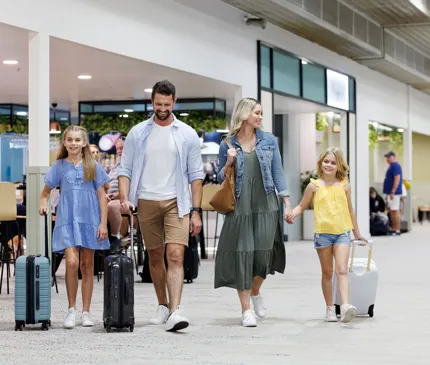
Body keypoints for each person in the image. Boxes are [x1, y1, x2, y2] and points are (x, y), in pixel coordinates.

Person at [118, 80, 203, 332]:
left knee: (175, 255)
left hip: (177, 202)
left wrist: (196, 211)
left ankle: (176, 311)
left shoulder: (187, 133)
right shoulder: (138, 132)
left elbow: (195, 175)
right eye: (158, 104)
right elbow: (125, 169)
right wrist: (124, 197)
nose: (162, 108)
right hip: (145, 201)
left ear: (174, 102)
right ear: (152, 102)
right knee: (154, 256)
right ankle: (162, 304)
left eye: (167, 104)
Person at [214, 97, 290, 328]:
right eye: (257, 112)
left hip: (266, 203)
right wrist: (228, 162)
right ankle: (246, 310)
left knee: (263, 255)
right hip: (240, 205)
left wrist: (286, 202)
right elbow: (219, 177)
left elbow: (278, 172)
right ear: (245, 114)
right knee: (242, 254)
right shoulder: (227, 144)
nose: (260, 117)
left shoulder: (269, 141)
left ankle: (256, 291)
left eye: (261, 113)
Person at [39, 125, 110, 329]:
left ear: (84, 143)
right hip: (68, 220)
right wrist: (43, 203)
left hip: (90, 220)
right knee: (71, 262)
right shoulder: (59, 166)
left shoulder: (93, 166)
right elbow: (45, 192)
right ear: (64, 142)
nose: (73, 143)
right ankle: (71, 309)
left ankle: (86, 312)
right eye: (69, 139)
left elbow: (102, 196)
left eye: (77, 140)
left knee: (87, 265)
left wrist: (103, 222)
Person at [288, 147, 367, 323]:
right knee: (327, 272)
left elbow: (350, 210)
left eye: (333, 162)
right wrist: (292, 213)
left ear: (339, 165)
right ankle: (330, 308)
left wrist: (357, 233)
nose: (329, 165)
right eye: (326, 161)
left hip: (342, 233)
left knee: (342, 270)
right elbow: (302, 206)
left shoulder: (345, 186)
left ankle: (345, 306)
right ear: (320, 163)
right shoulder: (313, 186)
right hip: (323, 234)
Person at [106, 137, 128, 252]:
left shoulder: (131, 164)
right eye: (117, 148)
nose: (119, 151)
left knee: (111, 206)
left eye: (122, 148)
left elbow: (130, 187)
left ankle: (115, 237)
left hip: (124, 198)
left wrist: (114, 196)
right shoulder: (115, 166)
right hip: (110, 196)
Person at [383, 151, 403, 236]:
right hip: (390, 193)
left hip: (394, 193)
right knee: (392, 211)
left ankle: (397, 229)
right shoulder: (391, 166)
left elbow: (397, 178)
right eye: (387, 157)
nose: (387, 159)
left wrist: (393, 191)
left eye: (389, 157)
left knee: (395, 210)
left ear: (393, 157)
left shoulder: (395, 166)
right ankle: (394, 228)